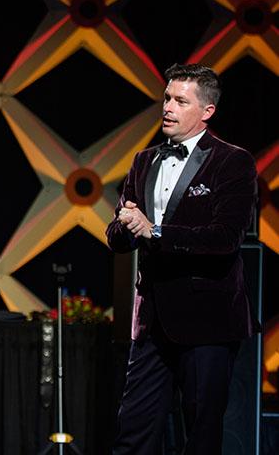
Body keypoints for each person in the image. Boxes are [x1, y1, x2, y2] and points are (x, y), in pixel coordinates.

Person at [106, 63, 258, 454]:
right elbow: (118, 237)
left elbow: (225, 239)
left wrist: (154, 231)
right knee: (133, 430)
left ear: (206, 111)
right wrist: (125, 227)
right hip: (153, 322)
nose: (168, 108)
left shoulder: (232, 162)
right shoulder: (144, 160)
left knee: (201, 436)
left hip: (208, 321)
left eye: (180, 101)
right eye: (166, 99)